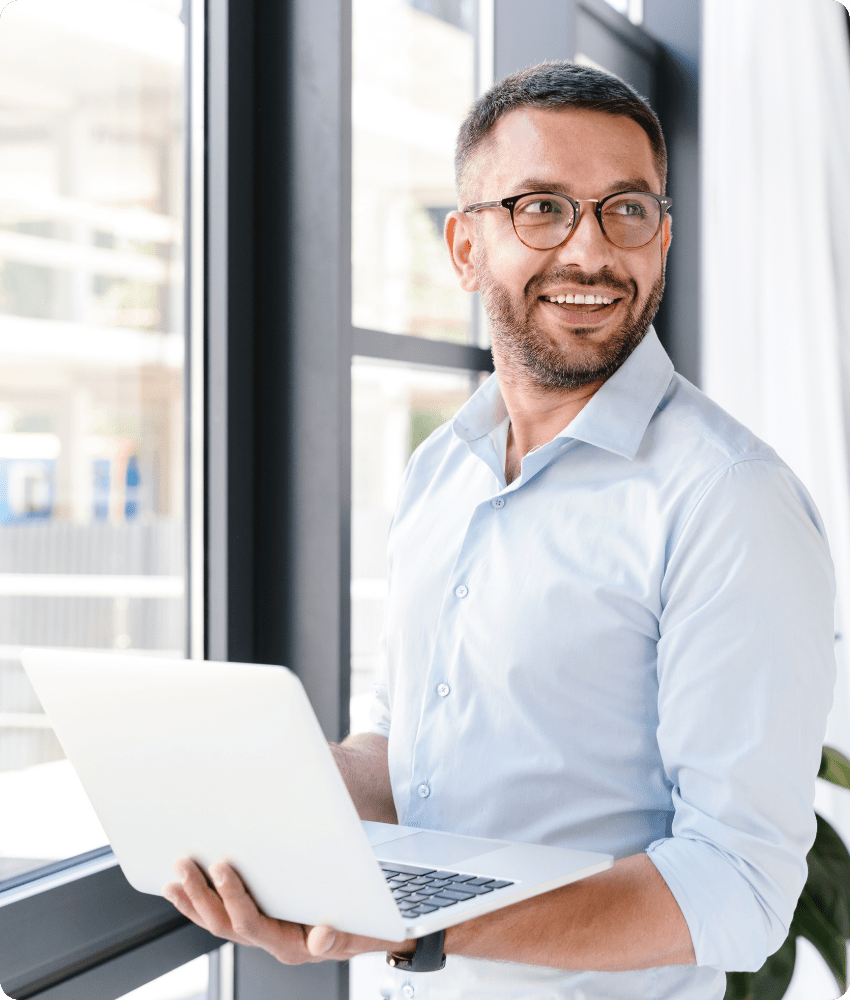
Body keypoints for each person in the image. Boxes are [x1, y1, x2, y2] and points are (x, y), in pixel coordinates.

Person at [163, 62, 836, 1000]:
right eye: (542, 208)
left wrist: (420, 923)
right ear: (465, 246)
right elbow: (408, 754)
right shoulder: (440, 470)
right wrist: (264, 793)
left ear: (664, 236)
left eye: (625, 210)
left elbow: (742, 888)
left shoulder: (729, 500)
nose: (590, 252)